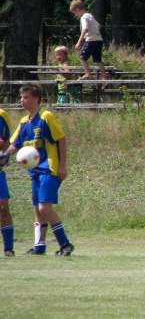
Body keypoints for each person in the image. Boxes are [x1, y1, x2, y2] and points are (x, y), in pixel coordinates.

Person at [7, 83, 74, 256]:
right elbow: (16, 143)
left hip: (49, 169)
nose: (22, 101)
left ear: (36, 99)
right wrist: (5, 154)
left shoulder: (46, 116)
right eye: (21, 97)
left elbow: (61, 139)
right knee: (37, 209)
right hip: (35, 171)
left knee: (44, 208)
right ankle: (39, 247)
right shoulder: (24, 121)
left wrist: (62, 165)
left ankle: (65, 243)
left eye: (26, 97)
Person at [69, 0, 107, 81]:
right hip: (98, 39)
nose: (76, 15)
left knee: (82, 57)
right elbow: (99, 26)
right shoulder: (90, 15)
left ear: (77, 10)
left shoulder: (83, 17)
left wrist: (79, 42)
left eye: (75, 13)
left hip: (91, 40)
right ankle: (105, 79)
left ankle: (88, 74)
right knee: (98, 60)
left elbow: (85, 29)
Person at [0, 109, 14, 257]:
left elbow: (7, 141)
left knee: (3, 207)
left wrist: (2, 153)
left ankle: (8, 248)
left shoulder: (2, 115)